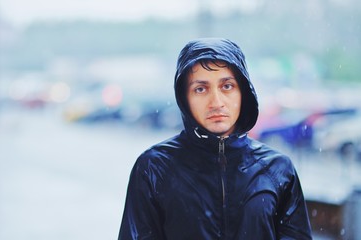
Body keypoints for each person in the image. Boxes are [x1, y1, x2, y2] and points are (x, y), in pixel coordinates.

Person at [118, 38, 312, 239]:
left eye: (227, 86)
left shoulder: (277, 170)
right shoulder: (154, 168)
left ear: (243, 92)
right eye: (200, 89)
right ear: (184, 98)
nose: (216, 102)